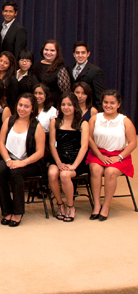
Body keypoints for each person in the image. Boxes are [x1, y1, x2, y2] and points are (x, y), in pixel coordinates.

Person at [0, 93, 46, 227]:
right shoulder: (9, 121)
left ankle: (17, 212)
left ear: (33, 109)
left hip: (30, 162)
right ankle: (6, 210)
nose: (22, 109)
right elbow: (1, 143)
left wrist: (22, 163)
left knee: (15, 173)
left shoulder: (37, 126)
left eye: (26, 106)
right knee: (0, 170)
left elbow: (40, 152)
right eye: (20, 105)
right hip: (10, 158)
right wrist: (7, 160)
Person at [86, 90, 136, 221]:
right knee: (96, 169)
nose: (108, 105)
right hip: (97, 153)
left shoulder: (125, 121)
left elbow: (132, 143)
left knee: (110, 172)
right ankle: (97, 205)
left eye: (112, 103)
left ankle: (106, 206)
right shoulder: (95, 118)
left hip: (119, 155)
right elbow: (89, 139)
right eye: (106, 102)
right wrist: (99, 155)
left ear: (118, 104)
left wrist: (119, 157)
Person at [47, 93, 90, 223]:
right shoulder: (55, 122)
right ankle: (60, 204)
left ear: (75, 106)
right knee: (52, 173)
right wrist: (59, 163)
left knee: (65, 175)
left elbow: (84, 147)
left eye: (69, 105)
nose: (66, 107)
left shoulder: (83, 123)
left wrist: (74, 165)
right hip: (59, 157)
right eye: (63, 104)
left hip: (77, 160)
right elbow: (52, 144)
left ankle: (70, 206)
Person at [34, 39, 71, 108]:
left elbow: (65, 93)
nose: (48, 52)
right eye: (46, 49)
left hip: (53, 106)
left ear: (57, 52)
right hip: (37, 105)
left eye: (52, 50)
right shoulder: (37, 65)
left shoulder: (61, 69)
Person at [69, 41, 105, 110]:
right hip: (72, 110)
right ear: (74, 54)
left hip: (88, 110)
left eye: (83, 53)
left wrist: (97, 113)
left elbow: (99, 96)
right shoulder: (69, 69)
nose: (80, 55)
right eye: (77, 53)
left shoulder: (95, 71)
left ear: (88, 54)